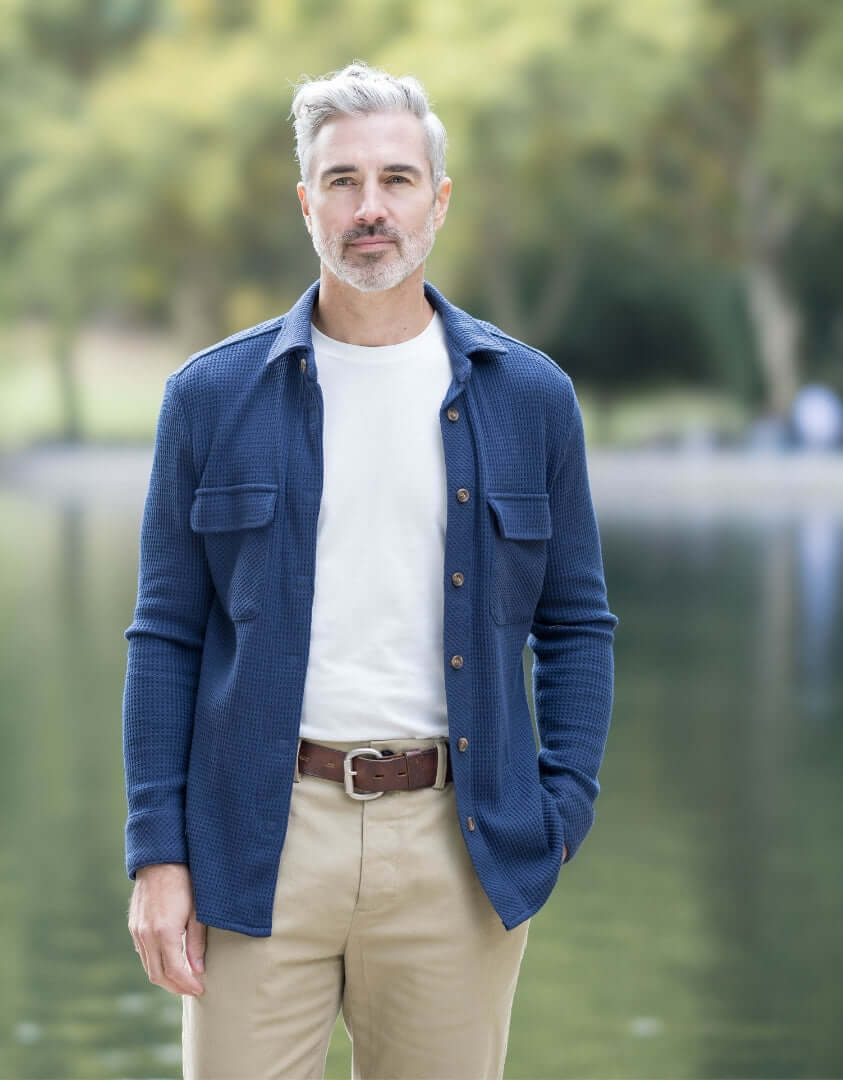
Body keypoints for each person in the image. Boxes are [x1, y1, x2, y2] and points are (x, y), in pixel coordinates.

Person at [123, 61, 617, 1080]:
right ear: (306, 203)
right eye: (342, 181)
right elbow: (166, 636)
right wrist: (157, 855)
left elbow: (576, 625)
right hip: (259, 841)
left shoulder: (530, 399)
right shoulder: (211, 399)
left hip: (460, 840)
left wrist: (560, 810)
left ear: (439, 200)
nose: (370, 209)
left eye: (397, 179)